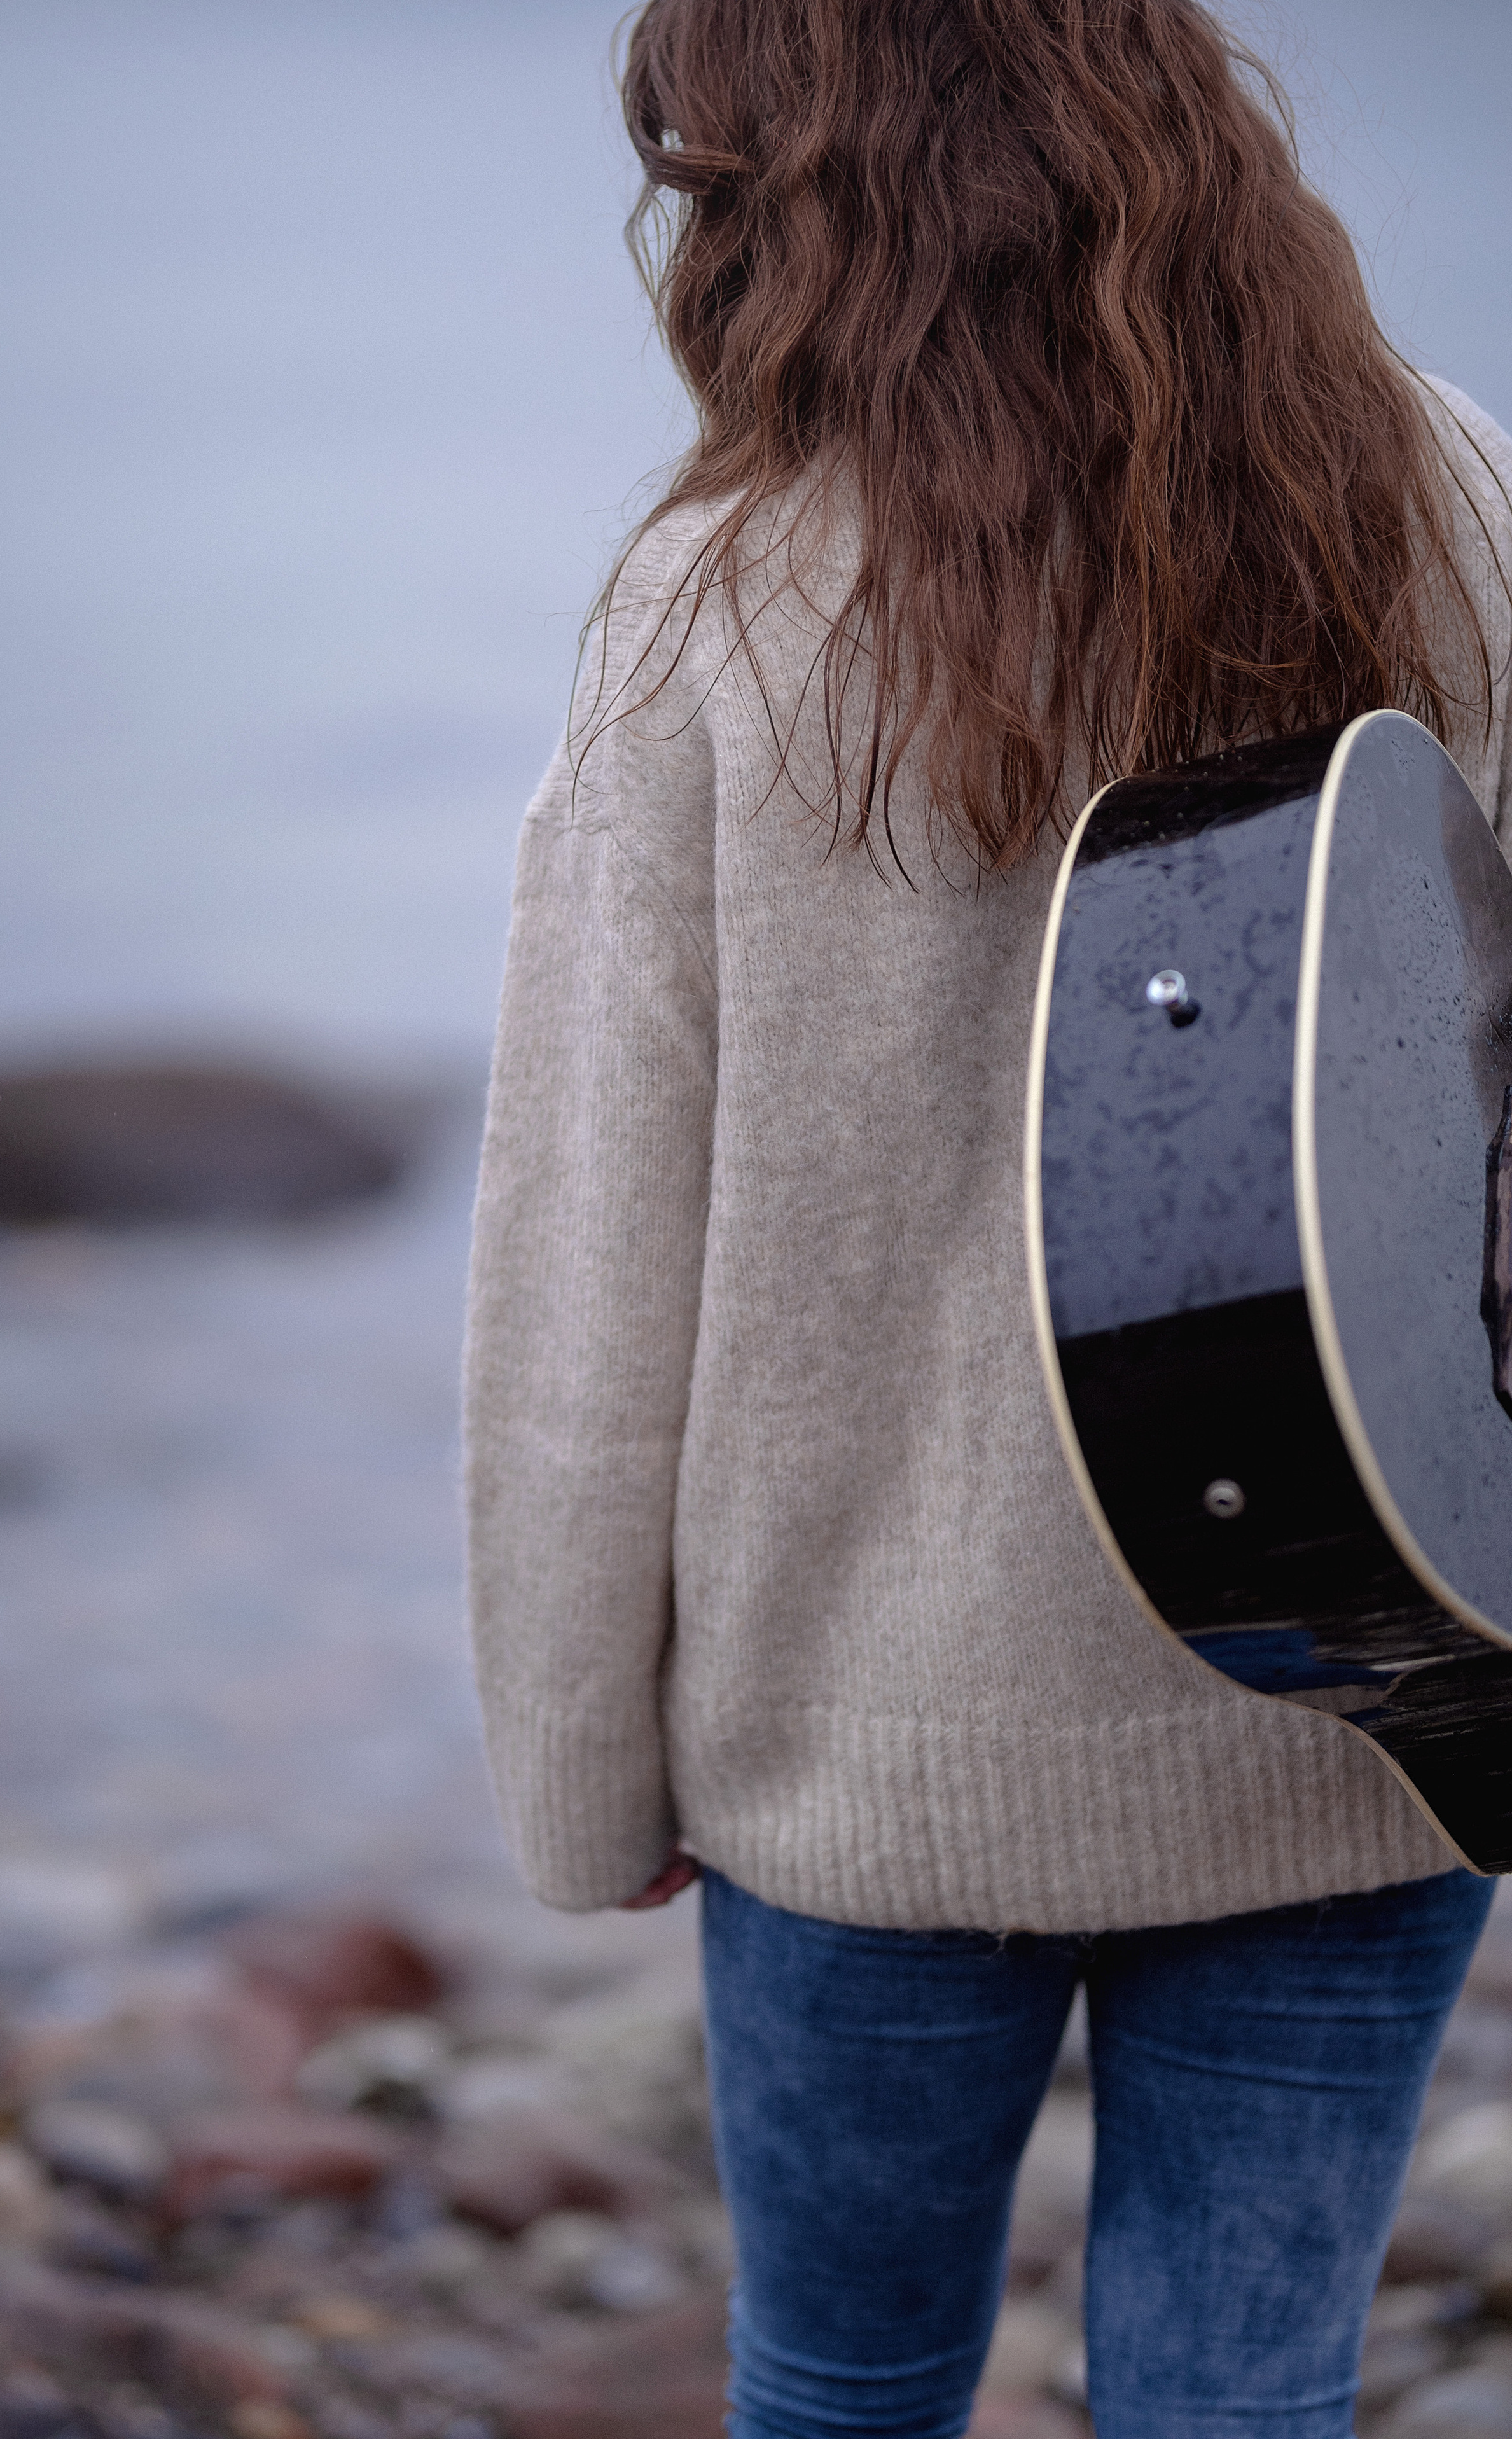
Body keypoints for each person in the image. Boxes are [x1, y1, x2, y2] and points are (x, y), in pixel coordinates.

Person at [462, 3, 1512, 2432]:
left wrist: (577, 1769)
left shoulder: (716, 614)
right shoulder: (1446, 501)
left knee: (841, 2388)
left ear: (802, 190)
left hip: (865, 1741)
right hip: (1371, 1668)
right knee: (1239, 2399)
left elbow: (590, 1266)